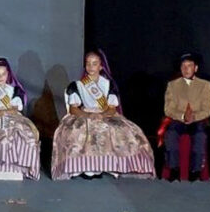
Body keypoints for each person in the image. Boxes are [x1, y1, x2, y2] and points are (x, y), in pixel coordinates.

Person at [51, 50, 154, 180]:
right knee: (81, 130)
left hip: (104, 114)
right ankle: (86, 167)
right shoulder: (77, 85)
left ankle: (111, 165)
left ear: (100, 66)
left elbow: (112, 109)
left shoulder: (108, 85)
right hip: (84, 114)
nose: (91, 67)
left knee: (124, 130)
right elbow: (73, 109)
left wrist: (103, 115)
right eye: (88, 63)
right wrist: (88, 115)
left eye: (94, 64)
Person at [160, 53, 210, 182]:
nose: (186, 69)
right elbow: (168, 109)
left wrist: (194, 117)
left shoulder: (205, 85)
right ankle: (174, 169)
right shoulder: (172, 85)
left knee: (200, 135)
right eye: (183, 66)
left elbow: (208, 109)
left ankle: (195, 171)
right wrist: (182, 116)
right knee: (171, 134)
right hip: (179, 119)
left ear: (196, 68)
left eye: (189, 65)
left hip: (196, 119)